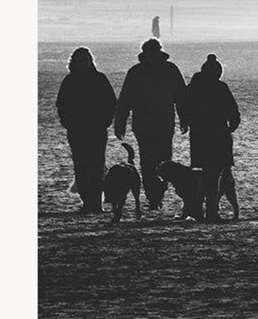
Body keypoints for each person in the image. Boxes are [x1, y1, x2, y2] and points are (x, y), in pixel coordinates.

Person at [112, 36, 187, 211]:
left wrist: (185, 118)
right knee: (147, 162)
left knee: (164, 161)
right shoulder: (135, 72)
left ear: (160, 52)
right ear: (144, 53)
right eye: (149, 52)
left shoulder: (171, 70)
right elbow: (125, 100)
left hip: (164, 124)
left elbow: (181, 97)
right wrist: (119, 123)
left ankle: (159, 192)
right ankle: (153, 197)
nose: (152, 55)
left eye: (155, 51)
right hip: (143, 126)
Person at [178, 52, 241, 222]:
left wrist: (188, 122)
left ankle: (198, 207)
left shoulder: (193, 87)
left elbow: (182, 107)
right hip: (219, 134)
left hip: (199, 135)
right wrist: (232, 126)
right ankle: (210, 210)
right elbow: (232, 109)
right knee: (213, 175)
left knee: (205, 174)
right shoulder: (220, 87)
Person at [54, 46, 117, 212]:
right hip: (77, 129)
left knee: (96, 165)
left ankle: (96, 202)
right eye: (79, 60)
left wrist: (105, 121)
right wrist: (67, 121)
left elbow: (111, 103)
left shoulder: (99, 79)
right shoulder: (69, 81)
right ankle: (88, 201)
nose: (82, 63)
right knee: (81, 166)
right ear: (73, 62)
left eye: (85, 60)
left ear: (90, 61)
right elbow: (61, 104)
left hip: (96, 129)